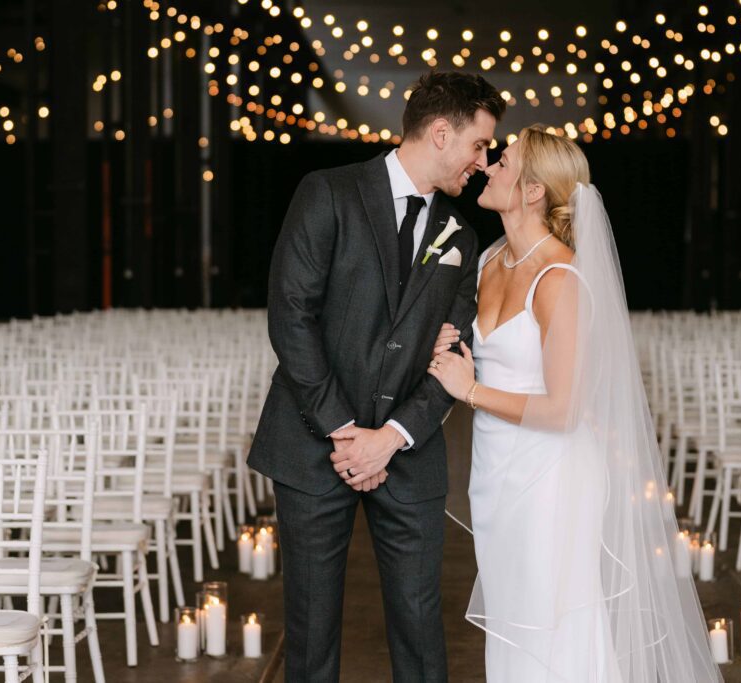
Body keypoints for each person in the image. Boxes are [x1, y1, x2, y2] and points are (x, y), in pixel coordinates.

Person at [428, 126, 722, 681]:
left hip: (553, 479)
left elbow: (563, 410)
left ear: (533, 190)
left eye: (503, 160)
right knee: (514, 623)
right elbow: (477, 355)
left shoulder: (560, 277)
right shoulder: (492, 260)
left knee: (554, 626)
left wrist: (468, 390)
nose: (488, 164)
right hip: (497, 476)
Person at [247, 71, 505, 682]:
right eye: (479, 144)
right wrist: (344, 430)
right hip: (312, 448)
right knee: (310, 630)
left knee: (421, 626)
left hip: (407, 455)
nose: (484, 161)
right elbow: (292, 318)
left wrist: (389, 437)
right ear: (442, 133)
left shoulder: (462, 239)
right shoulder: (327, 192)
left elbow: (454, 356)